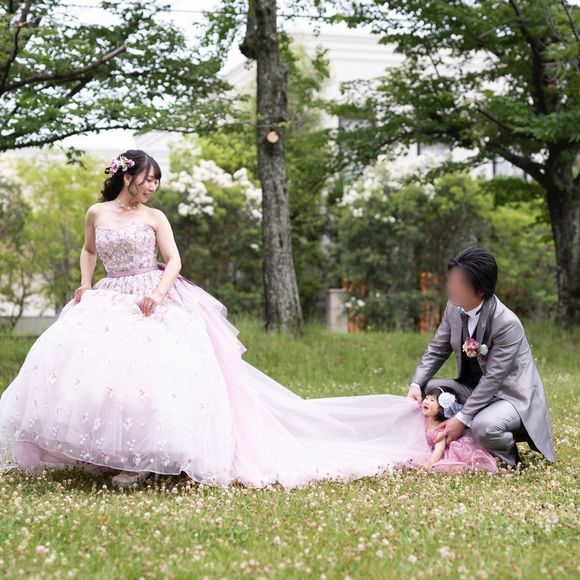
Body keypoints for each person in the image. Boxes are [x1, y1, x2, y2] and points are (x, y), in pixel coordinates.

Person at [0, 149, 431, 489]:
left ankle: (145, 458)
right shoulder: (97, 213)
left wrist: (157, 294)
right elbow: (89, 249)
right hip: (109, 294)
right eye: (147, 179)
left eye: (156, 181)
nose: (152, 187)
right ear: (127, 176)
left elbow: (174, 260)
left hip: (152, 294)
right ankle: (108, 450)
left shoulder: (155, 217)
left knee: (152, 375)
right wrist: (84, 283)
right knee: (97, 374)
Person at [407, 246, 556, 469]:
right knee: (431, 388)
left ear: (480, 290)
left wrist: (461, 418)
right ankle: (457, 443)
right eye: (451, 279)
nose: (451, 287)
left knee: (484, 427)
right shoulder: (453, 308)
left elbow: (493, 379)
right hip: (474, 389)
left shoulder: (507, 323)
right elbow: (437, 349)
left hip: (510, 397)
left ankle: (508, 459)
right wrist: (416, 384)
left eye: (459, 283)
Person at [419, 387, 498, 472]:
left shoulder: (440, 431)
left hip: (438, 452)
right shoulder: (422, 418)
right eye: (426, 398)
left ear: (442, 409)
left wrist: (429, 463)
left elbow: (439, 450)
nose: (426, 401)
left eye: (432, 400)